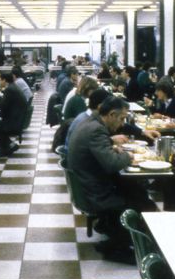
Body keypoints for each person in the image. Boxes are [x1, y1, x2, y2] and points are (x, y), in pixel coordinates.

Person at [67, 95, 157, 261]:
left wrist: (109, 142)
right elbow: (112, 164)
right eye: (122, 118)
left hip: (87, 186)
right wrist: (129, 156)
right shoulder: (96, 129)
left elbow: (96, 148)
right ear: (111, 115)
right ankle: (120, 246)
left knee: (135, 191)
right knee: (142, 201)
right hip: (96, 193)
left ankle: (117, 237)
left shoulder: (89, 123)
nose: (123, 124)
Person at [0, 69, 29, 155]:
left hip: (13, 121)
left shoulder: (10, 89)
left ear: (4, 80)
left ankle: (4, 149)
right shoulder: (12, 86)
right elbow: (5, 103)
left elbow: (2, 106)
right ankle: (10, 144)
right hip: (16, 118)